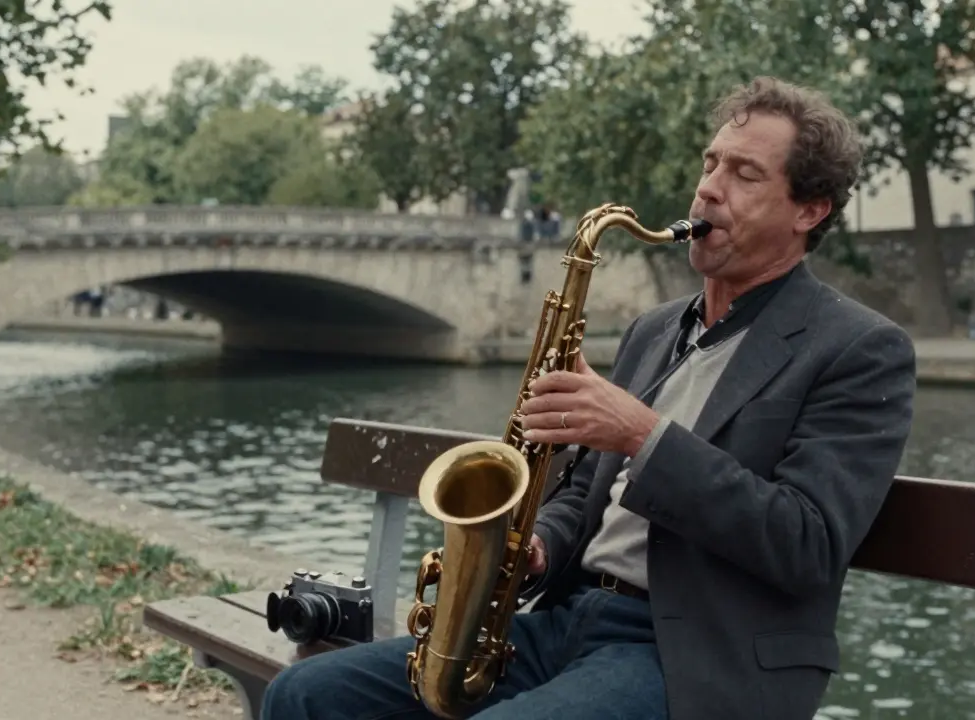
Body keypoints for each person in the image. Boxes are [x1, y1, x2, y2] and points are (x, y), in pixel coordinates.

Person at [259, 76, 917, 720]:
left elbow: (807, 544)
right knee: (303, 694)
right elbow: (585, 494)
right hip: (569, 620)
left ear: (809, 211)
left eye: (745, 175)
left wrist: (642, 434)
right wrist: (538, 544)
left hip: (694, 654)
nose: (709, 187)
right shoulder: (654, 331)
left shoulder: (859, 349)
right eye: (710, 163)